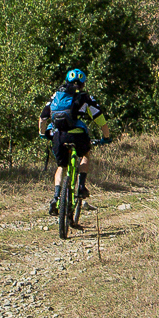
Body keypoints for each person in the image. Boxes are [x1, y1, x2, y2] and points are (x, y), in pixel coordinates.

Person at [41, 67, 107, 218]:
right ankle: (81, 186)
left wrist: (42, 133)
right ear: (83, 84)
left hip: (59, 135)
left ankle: (56, 196)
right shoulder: (85, 98)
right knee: (85, 155)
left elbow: (43, 118)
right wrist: (106, 137)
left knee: (61, 166)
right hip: (78, 135)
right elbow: (99, 119)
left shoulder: (56, 96)